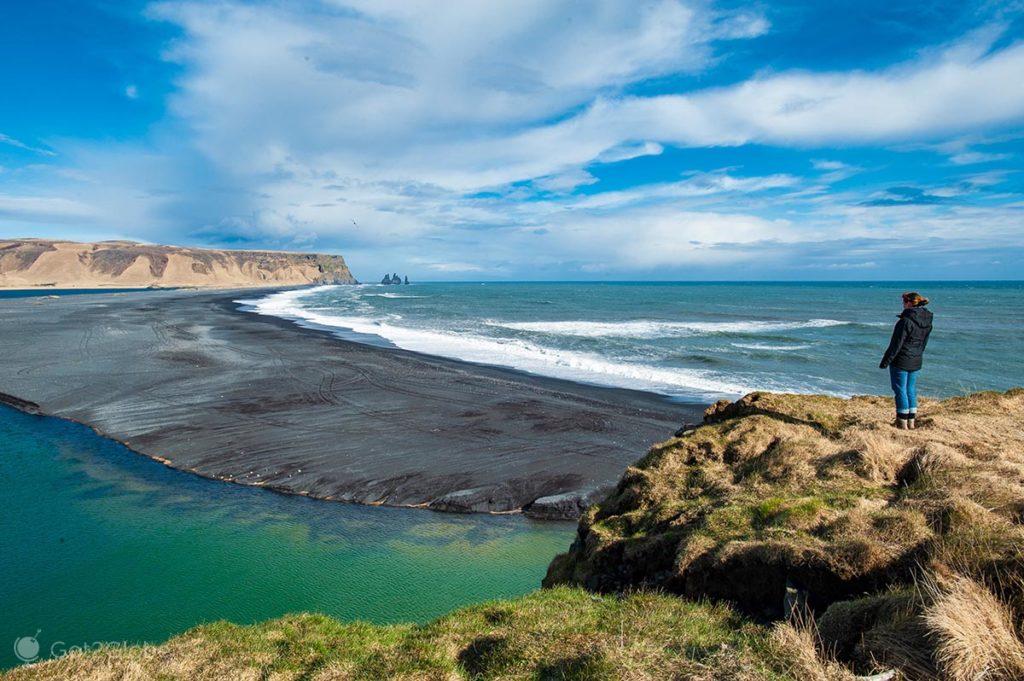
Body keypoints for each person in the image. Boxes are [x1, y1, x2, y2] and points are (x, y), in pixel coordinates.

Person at [879, 292, 933, 429]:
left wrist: (885, 362)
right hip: (916, 359)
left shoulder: (905, 322)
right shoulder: (927, 321)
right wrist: (917, 355)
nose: (903, 304)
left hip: (901, 360)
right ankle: (911, 421)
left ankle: (902, 423)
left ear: (909, 303)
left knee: (900, 390)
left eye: (904, 302)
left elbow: (896, 344)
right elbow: (923, 343)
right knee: (910, 389)